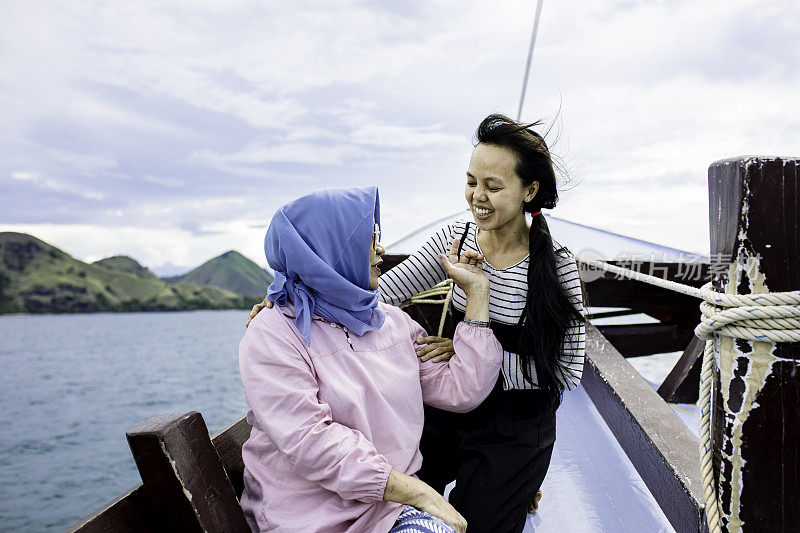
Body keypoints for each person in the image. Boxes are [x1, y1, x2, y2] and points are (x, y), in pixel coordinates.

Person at [239, 185, 504, 533]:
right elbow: (310, 441)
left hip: (386, 509)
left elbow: (462, 390)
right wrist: (418, 492)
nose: (380, 248)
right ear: (324, 251)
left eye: (377, 235)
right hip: (306, 517)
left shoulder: (390, 321)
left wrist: (478, 296)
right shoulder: (273, 334)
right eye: (367, 237)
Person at [375, 114, 586, 533]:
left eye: (493, 186)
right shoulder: (456, 238)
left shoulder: (556, 266)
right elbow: (382, 293)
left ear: (530, 191)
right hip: (449, 408)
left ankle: (522, 482)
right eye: (472, 182)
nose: (477, 196)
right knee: (391, 510)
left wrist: (471, 354)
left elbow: (567, 371)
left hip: (515, 426)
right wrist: (287, 305)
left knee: (477, 525)